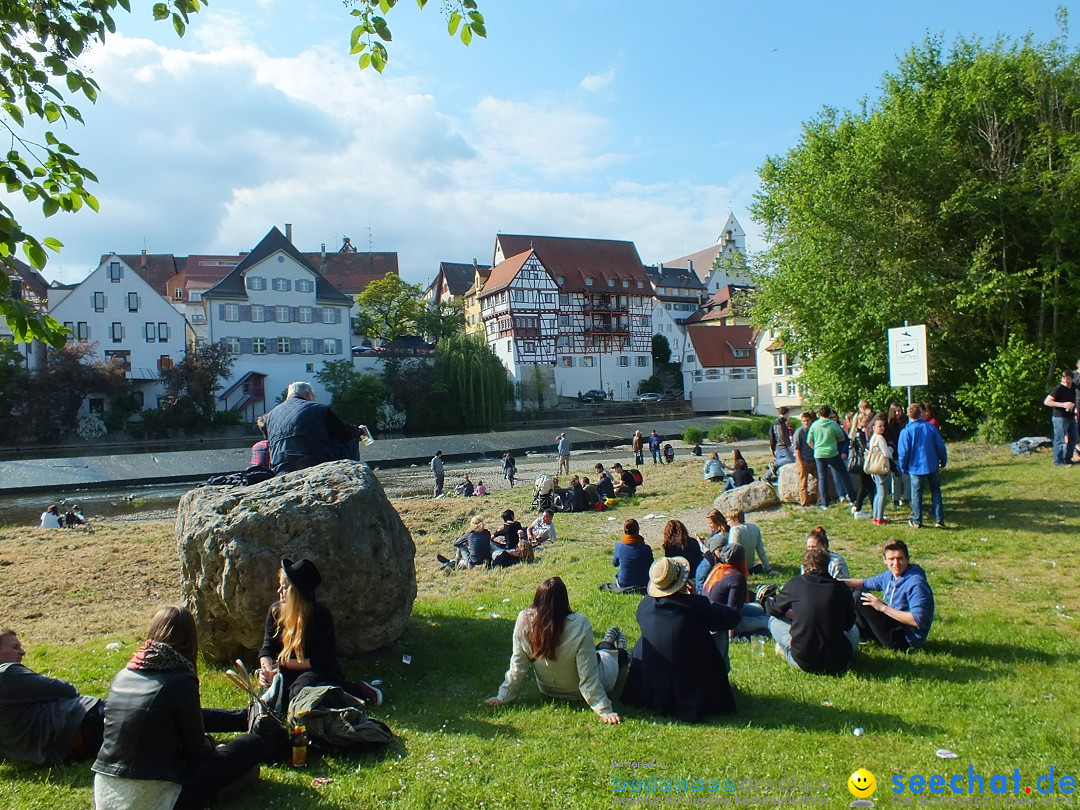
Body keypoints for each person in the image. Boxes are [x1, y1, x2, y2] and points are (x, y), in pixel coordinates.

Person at [92, 606, 273, 810]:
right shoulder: (180, 680)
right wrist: (212, 746)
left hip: (106, 794)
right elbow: (197, 752)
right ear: (190, 641)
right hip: (154, 799)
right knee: (252, 744)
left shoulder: (123, 675)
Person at [0, 631, 251, 768]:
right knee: (165, 716)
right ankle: (245, 721)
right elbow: (66, 689)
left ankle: (241, 723)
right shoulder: (7, 673)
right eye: (14, 646)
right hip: (86, 720)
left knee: (163, 731)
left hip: (74, 748)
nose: (21, 651)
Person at [486, 577, 626, 723]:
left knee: (597, 652)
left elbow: (518, 666)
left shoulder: (524, 620)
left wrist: (502, 696)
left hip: (547, 689)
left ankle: (609, 640)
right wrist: (604, 709)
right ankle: (617, 646)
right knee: (607, 655)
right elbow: (588, 675)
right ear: (564, 600)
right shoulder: (579, 624)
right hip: (579, 690)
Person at [620, 557, 739, 722]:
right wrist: (700, 600)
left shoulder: (645, 607)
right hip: (691, 683)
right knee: (718, 632)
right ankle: (721, 685)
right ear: (682, 583)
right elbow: (731, 619)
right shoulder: (696, 606)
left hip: (653, 683)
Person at [258, 559, 382, 709]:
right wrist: (267, 669)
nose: (279, 592)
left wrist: (283, 664)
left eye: (284, 588)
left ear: (295, 593)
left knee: (299, 693)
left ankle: (356, 692)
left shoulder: (320, 615)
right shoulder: (275, 611)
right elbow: (267, 649)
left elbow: (321, 661)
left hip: (317, 670)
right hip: (288, 671)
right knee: (278, 703)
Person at [767, 547, 858, 675]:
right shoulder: (841, 588)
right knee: (854, 629)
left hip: (804, 660)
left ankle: (786, 650)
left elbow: (773, 609)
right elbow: (849, 624)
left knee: (773, 621)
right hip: (838, 662)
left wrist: (791, 615)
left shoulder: (796, 584)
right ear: (827, 565)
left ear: (804, 566)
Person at [841, 540, 934, 652]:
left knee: (858, 598)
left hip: (906, 639)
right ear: (885, 560)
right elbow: (863, 583)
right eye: (891, 559)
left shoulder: (916, 583)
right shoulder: (889, 576)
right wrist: (832, 582)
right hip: (894, 626)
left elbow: (917, 620)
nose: (896, 563)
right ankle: (861, 635)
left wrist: (882, 608)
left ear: (907, 559)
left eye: (900, 558)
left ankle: (855, 634)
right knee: (857, 590)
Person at [265, 381, 369, 475]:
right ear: (307, 394)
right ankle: (351, 475)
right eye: (313, 396)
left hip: (279, 465)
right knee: (351, 439)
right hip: (312, 460)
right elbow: (344, 431)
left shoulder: (271, 415)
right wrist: (360, 431)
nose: (314, 399)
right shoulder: (318, 409)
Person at [898, 403, 948, 529]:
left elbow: (903, 452)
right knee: (936, 491)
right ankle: (939, 519)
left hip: (915, 467)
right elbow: (940, 446)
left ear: (909, 415)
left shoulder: (906, 431)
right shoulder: (930, 428)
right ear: (920, 413)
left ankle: (917, 520)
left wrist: (902, 467)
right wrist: (943, 460)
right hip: (931, 464)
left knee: (917, 494)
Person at [807, 405, 853, 509]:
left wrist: (816, 448)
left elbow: (809, 440)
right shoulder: (832, 424)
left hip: (819, 454)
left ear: (819, 414)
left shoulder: (814, 425)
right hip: (832, 452)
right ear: (829, 414)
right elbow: (841, 438)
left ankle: (824, 503)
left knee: (822, 478)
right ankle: (851, 496)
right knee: (843, 474)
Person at [599, 519, 654, 593]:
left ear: (625, 531)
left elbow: (615, 563)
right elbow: (651, 566)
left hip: (623, 584)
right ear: (638, 530)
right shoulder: (646, 548)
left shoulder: (620, 546)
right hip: (643, 583)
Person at [1044, 369, 1077, 467]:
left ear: (1072, 379)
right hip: (1059, 417)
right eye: (1063, 379)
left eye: (1067, 379)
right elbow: (1047, 402)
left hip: (1070, 416)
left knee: (1074, 438)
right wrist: (1063, 405)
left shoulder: (1073, 387)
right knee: (1060, 439)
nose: (1065, 382)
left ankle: (1068, 459)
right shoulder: (1058, 388)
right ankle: (1058, 462)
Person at [727, 509, 770, 574]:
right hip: (750, 567)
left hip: (739, 569)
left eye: (728, 521)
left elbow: (732, 553)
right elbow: (761, 551)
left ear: (736, 520)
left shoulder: (734, 530)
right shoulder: (754, 527)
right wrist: (768, 568)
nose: (728, 524)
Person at [867, 415, 893, 525]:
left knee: (878, 492)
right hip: (881, 468)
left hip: (874, 468)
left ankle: (876, 516)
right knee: (883, 493)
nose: (882, 428)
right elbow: (887, 454)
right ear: (874, 427)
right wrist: (891, 450)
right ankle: (880, 518)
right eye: (879, 426)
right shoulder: (880, 438)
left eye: (883, 426)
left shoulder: (872, 438)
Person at [847, 412, 873, 518]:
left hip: (861, 463)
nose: (867, 423)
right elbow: (863, 449)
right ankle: (859, 508)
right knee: (866, 486)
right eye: (866, 421)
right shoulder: (859, 434)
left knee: (867, 486)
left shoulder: (857, 433)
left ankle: (859, 507)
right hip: (862, 463)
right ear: (860, 421)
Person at [792, 411, 820, 508]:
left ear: (811, 420)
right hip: (803, 461)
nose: (806, 423)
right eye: (804, 421)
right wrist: (800, 463)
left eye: (807, 420)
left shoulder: (814, 430)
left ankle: (820, 500)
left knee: (821, 479)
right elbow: (796, 449)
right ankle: (804, 504)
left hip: (814, 461)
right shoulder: (799, 432)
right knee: (803, 484)